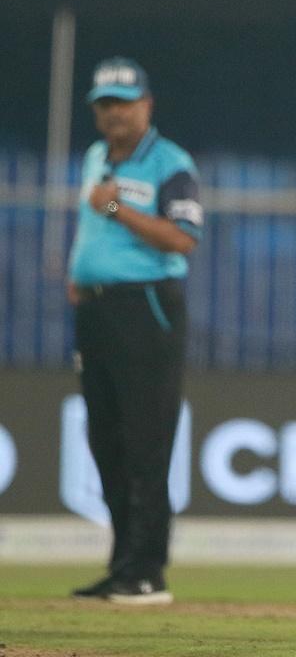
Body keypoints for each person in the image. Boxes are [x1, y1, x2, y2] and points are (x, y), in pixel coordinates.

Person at [67, 57, 203, 604]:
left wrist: (119, 207)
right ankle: (123, 564)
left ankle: (148, 571)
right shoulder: (95, 156)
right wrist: (81, 277)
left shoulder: (170, 163)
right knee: (106, 441)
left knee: (146, 440)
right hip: (96, 311)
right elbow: (88, 228)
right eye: (104, 104)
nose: (113, 114)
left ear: (147, 105)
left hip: (146, 308)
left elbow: (184, 238)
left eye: (123, 103)